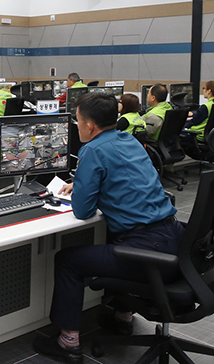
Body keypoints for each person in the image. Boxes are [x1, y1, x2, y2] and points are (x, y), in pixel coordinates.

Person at [33, 91, 184, 362]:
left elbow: (83, 210)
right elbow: (126, 176)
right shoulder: (129, 140)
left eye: (77, 121)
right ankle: (122, 317)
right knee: (115, 236)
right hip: (175, 239)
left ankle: (68, 341)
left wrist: (84, 187)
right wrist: (83, 182)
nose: (77, 126)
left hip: (147, 251)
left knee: (68, 261)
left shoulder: (92, 150)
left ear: (90, 126)